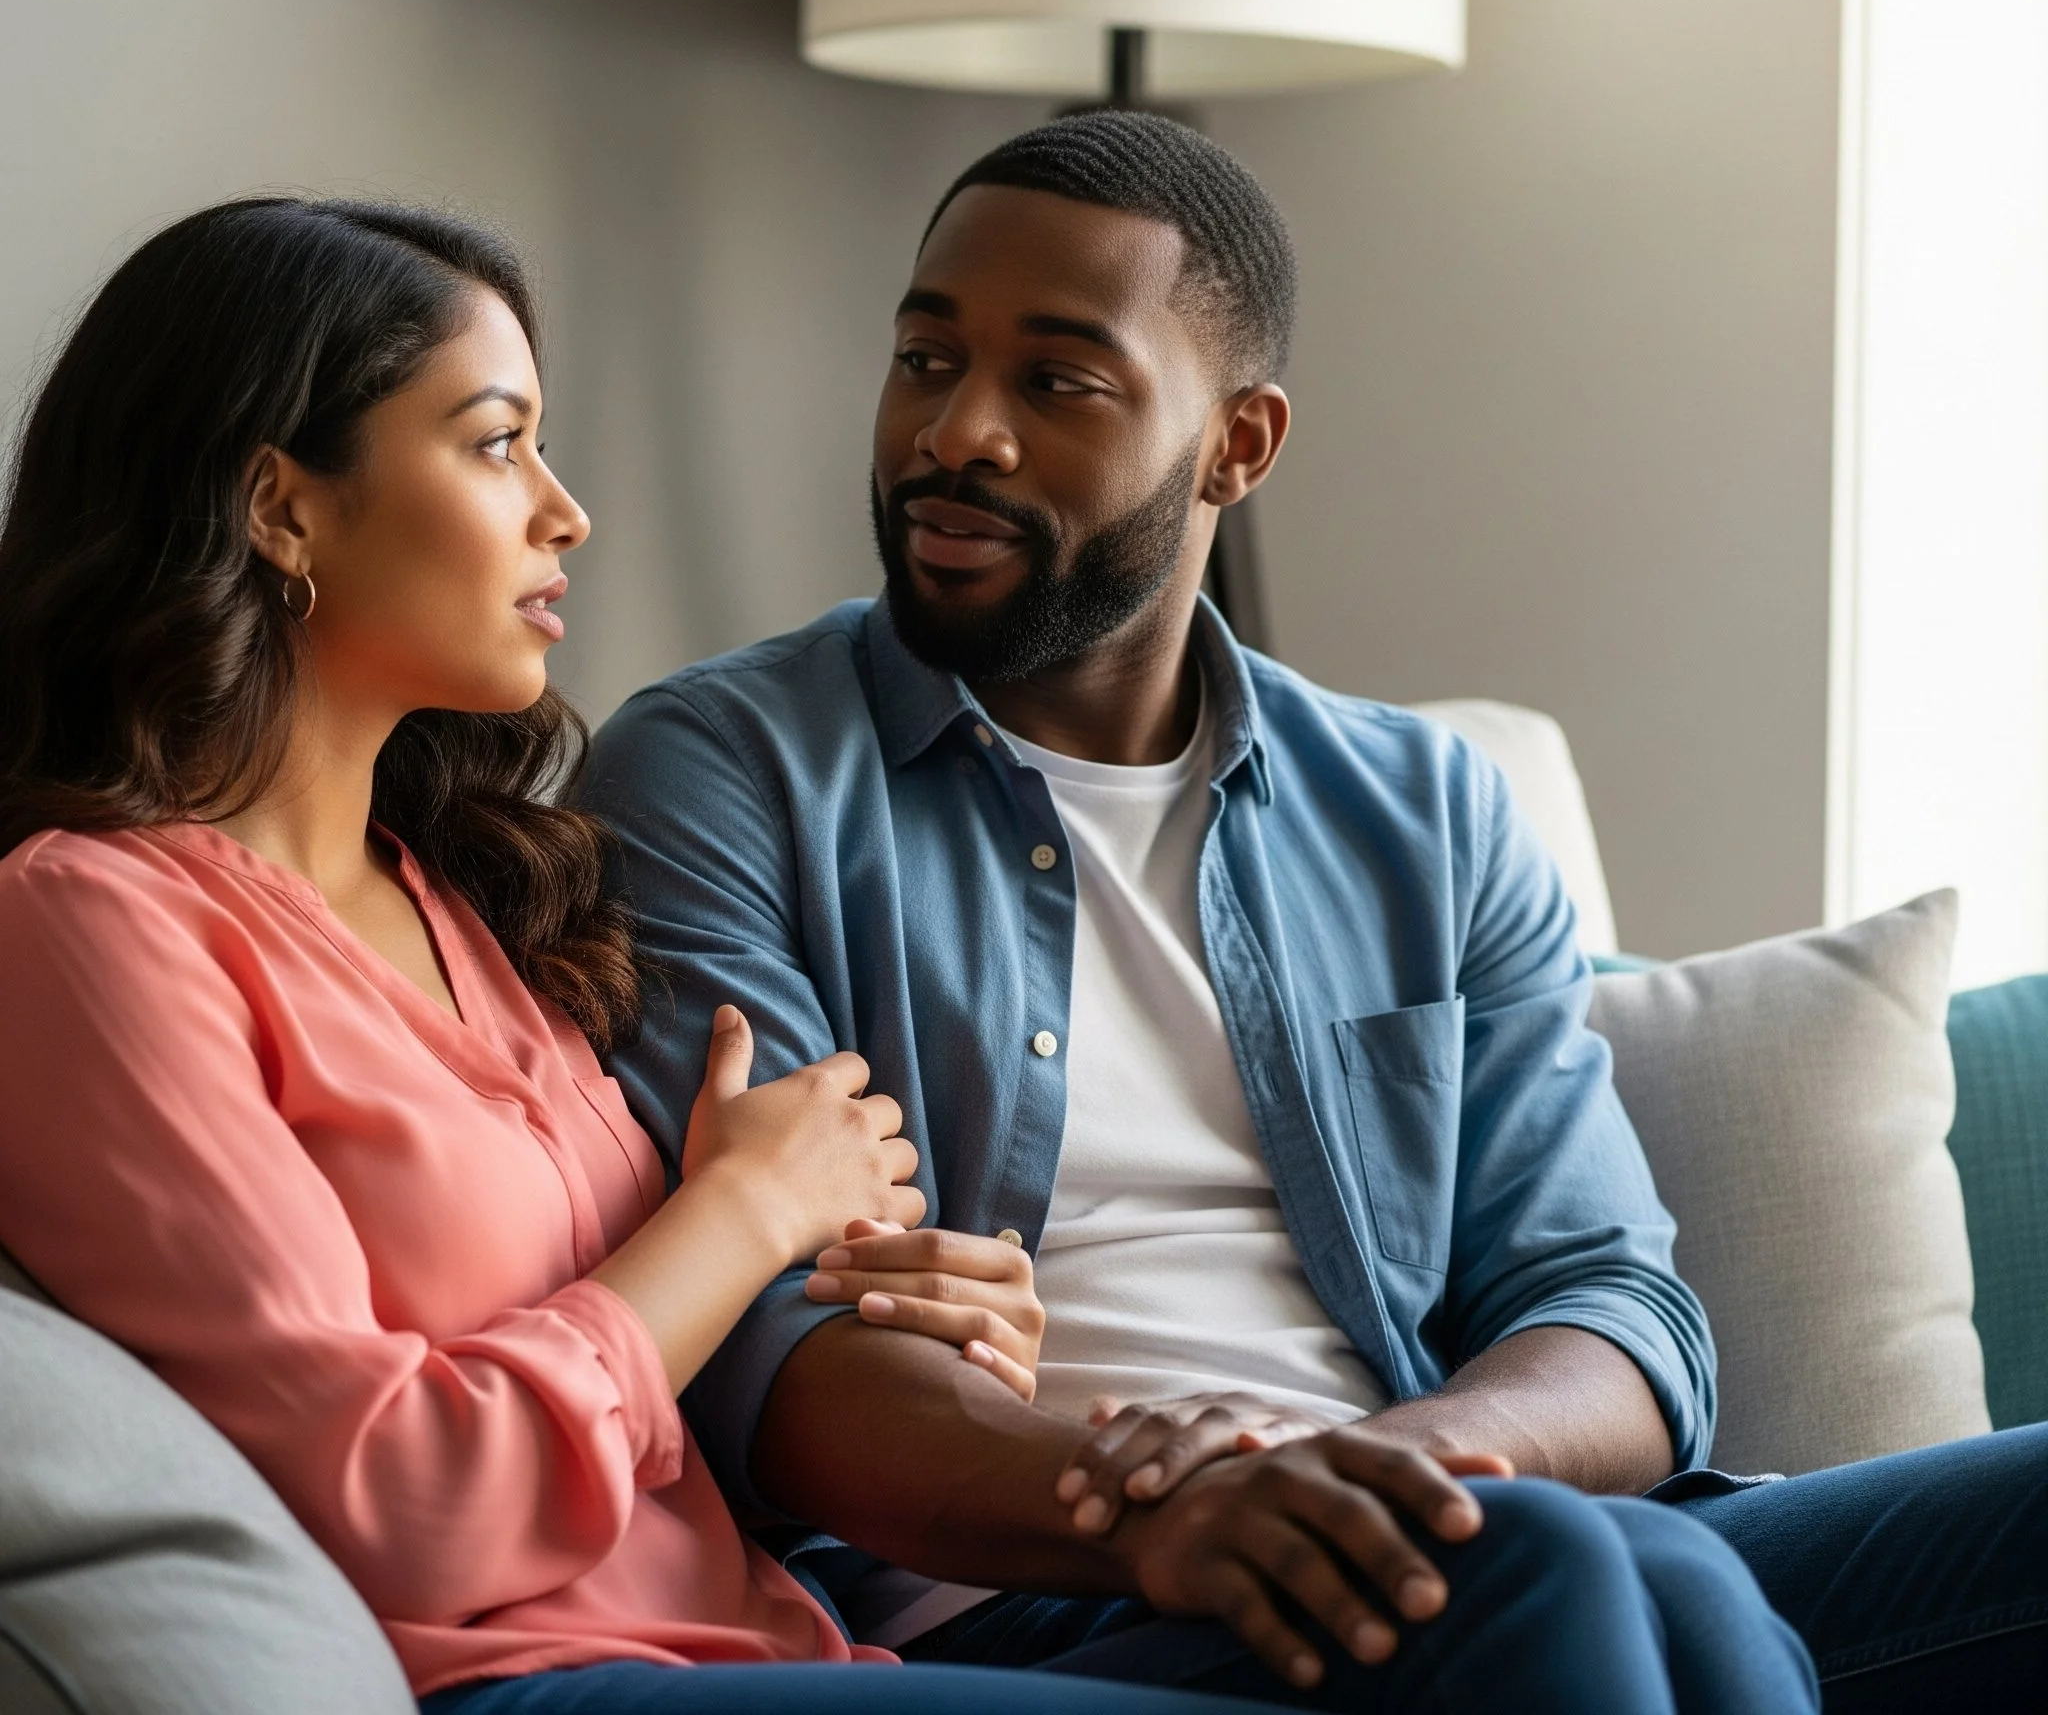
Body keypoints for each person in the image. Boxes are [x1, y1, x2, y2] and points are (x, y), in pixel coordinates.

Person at [583, 110, 2048, 1714]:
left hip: (1453, 1516)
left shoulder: (1425, 811)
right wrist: (1188, 1505)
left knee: (1723, 1554)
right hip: (1048, 1591)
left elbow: (1613, 1311)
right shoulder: (727, 771)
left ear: (1239, 445)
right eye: (927, 360)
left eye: (1057, 381)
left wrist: (1377, 1478)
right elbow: (776, 1356)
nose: (958, 433)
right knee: (1589, 1579)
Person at [0, 196, 1342, 1715]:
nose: (564, 511)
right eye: (497, 444)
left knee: (1517, 1581)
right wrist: (743, 1210)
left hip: (783, 1648)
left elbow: (653, 1402)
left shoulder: (463, 900)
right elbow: (400, 1500)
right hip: (526, 1682)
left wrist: (911, 1328)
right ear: (283, 510)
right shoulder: (91, 925)